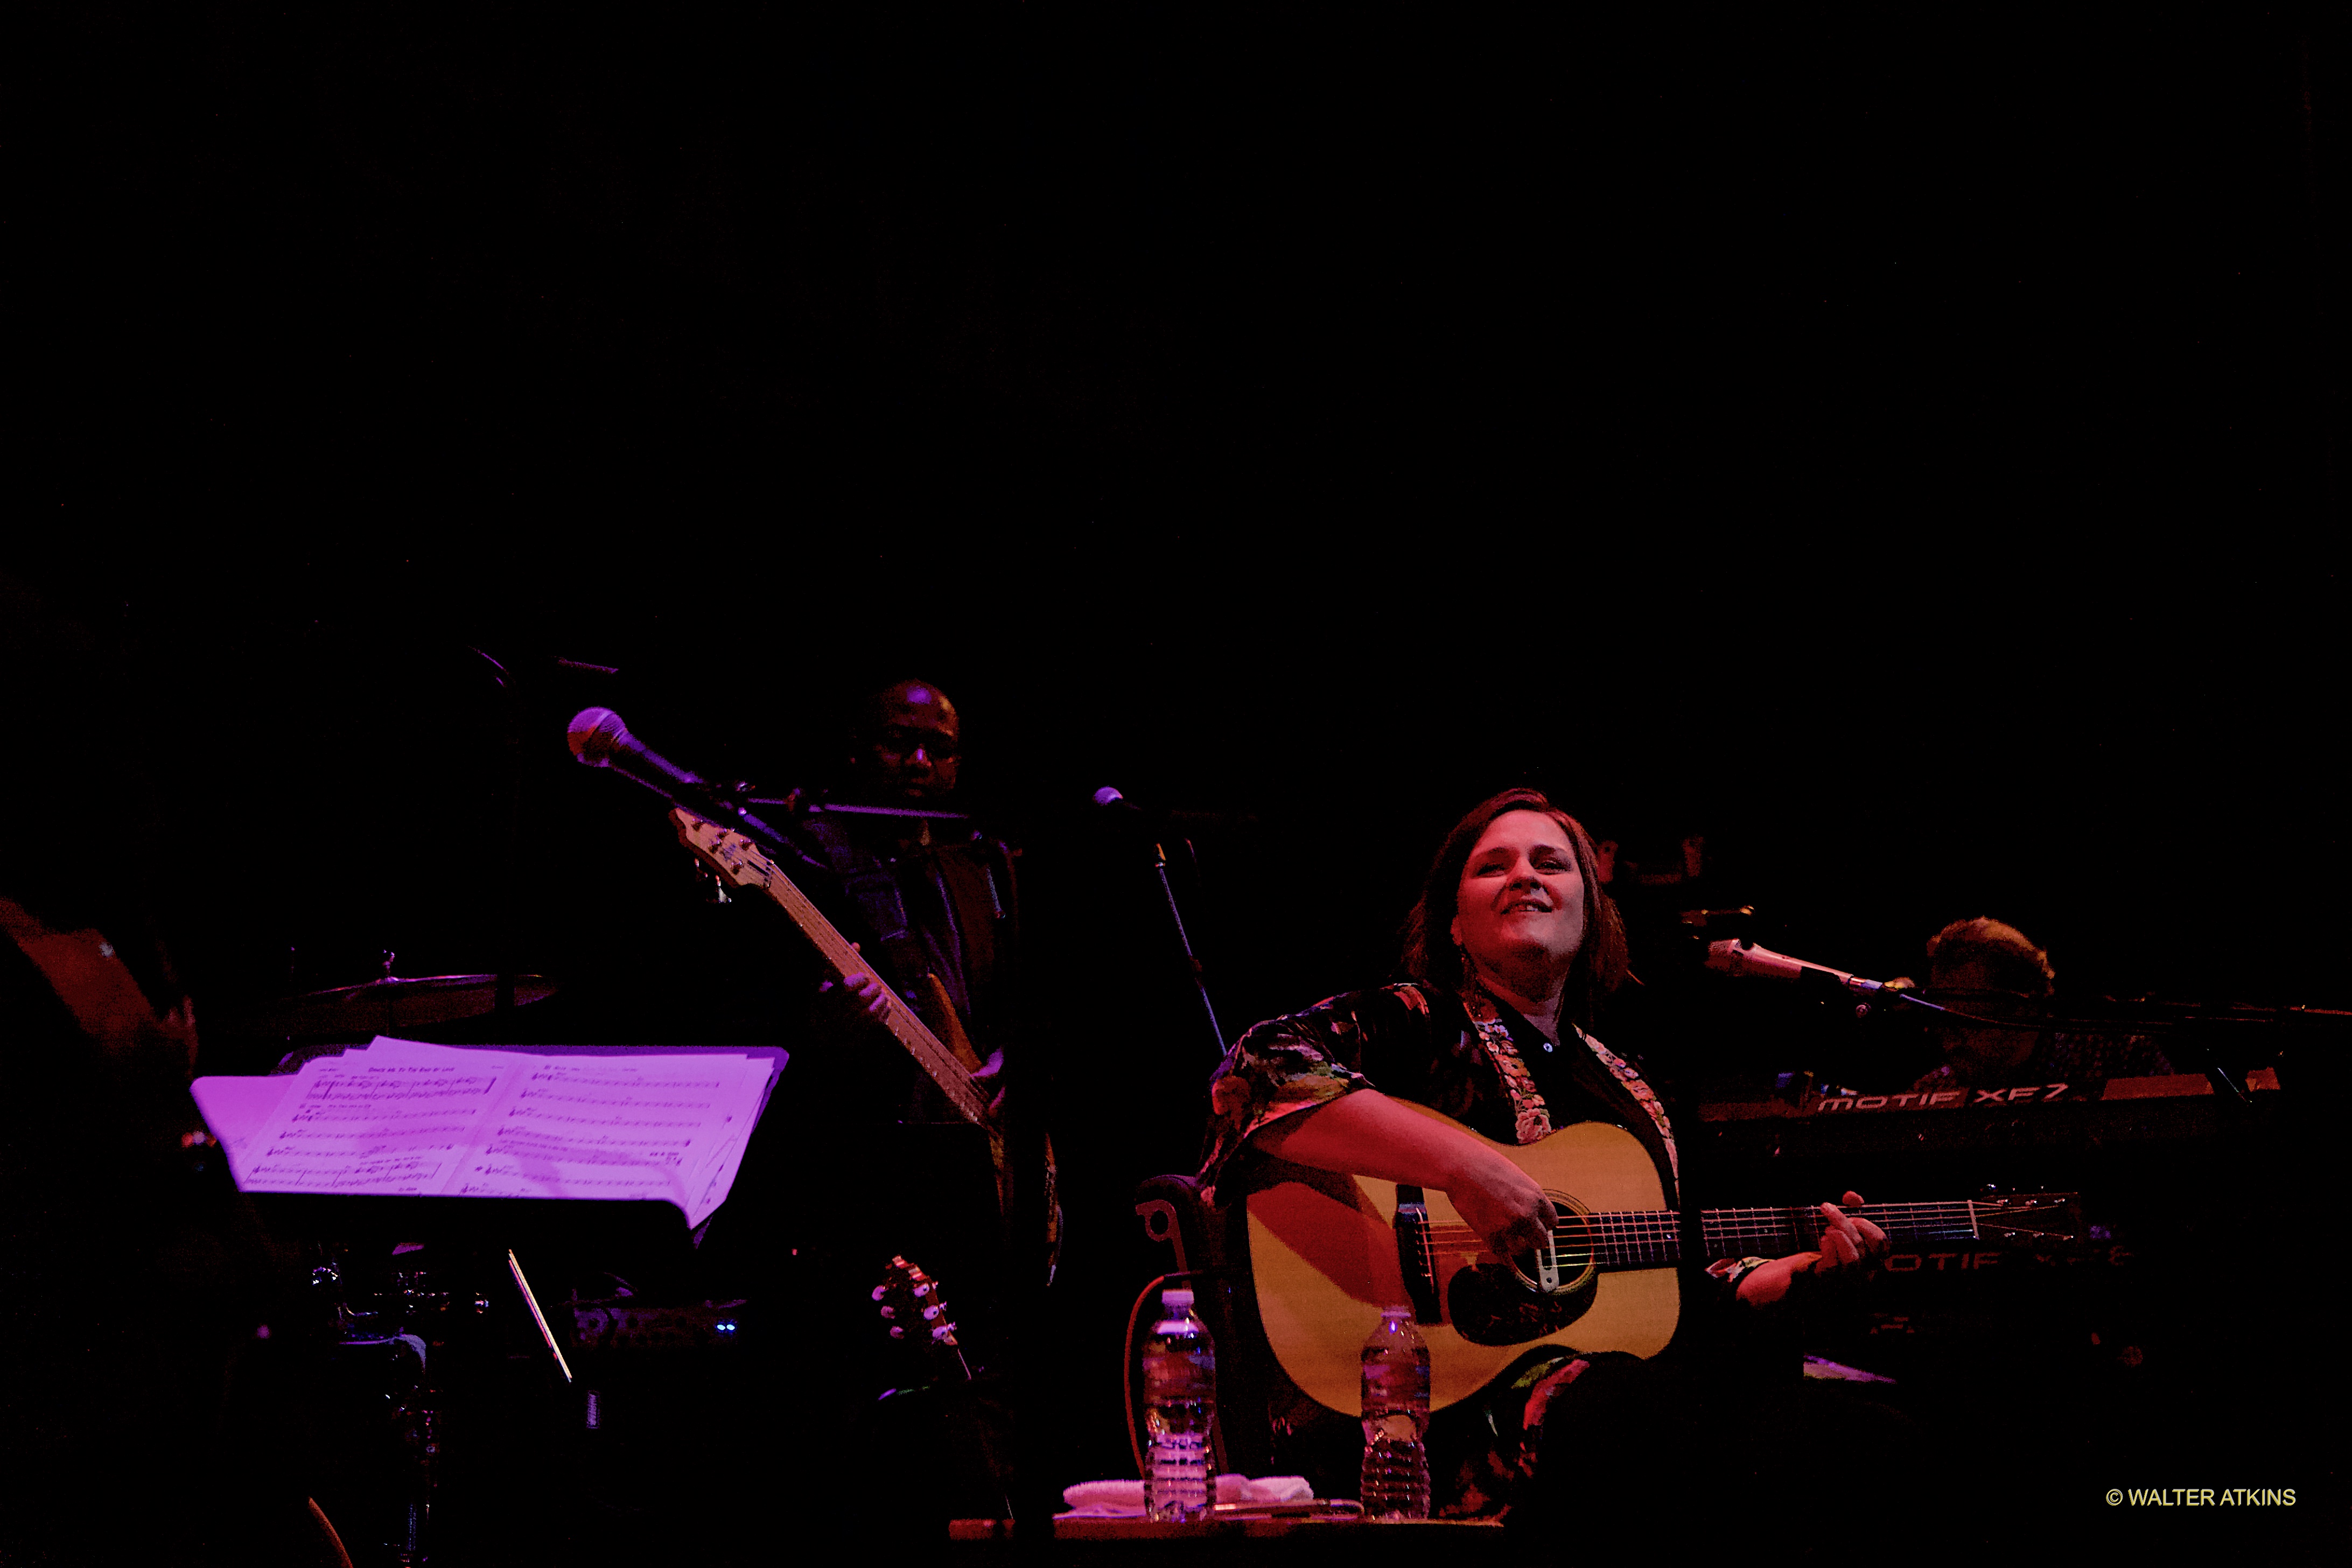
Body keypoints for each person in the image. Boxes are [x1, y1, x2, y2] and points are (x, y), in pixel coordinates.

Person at [1199, 788, 1895, 1530]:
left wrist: (1790, 1276)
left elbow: (1665, 1285)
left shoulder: (1632, 1092)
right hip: (1432, 1411)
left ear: (1592, 913)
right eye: (1492, 866)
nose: (1524, 876)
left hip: (1616, 1397)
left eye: (1551, 863)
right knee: (1639, 1416)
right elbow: (1258, 1069)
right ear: (1456, 925)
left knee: (1875, 1439)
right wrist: (1465, 1168)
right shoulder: (1414, 1023)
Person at [1906, 916, 2172, 1091]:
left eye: (1965, 1022)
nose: (1950, 1041)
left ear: (2025, 1007)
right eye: (1941, 1023)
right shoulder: (1934, 1091)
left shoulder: (2119, 1057)